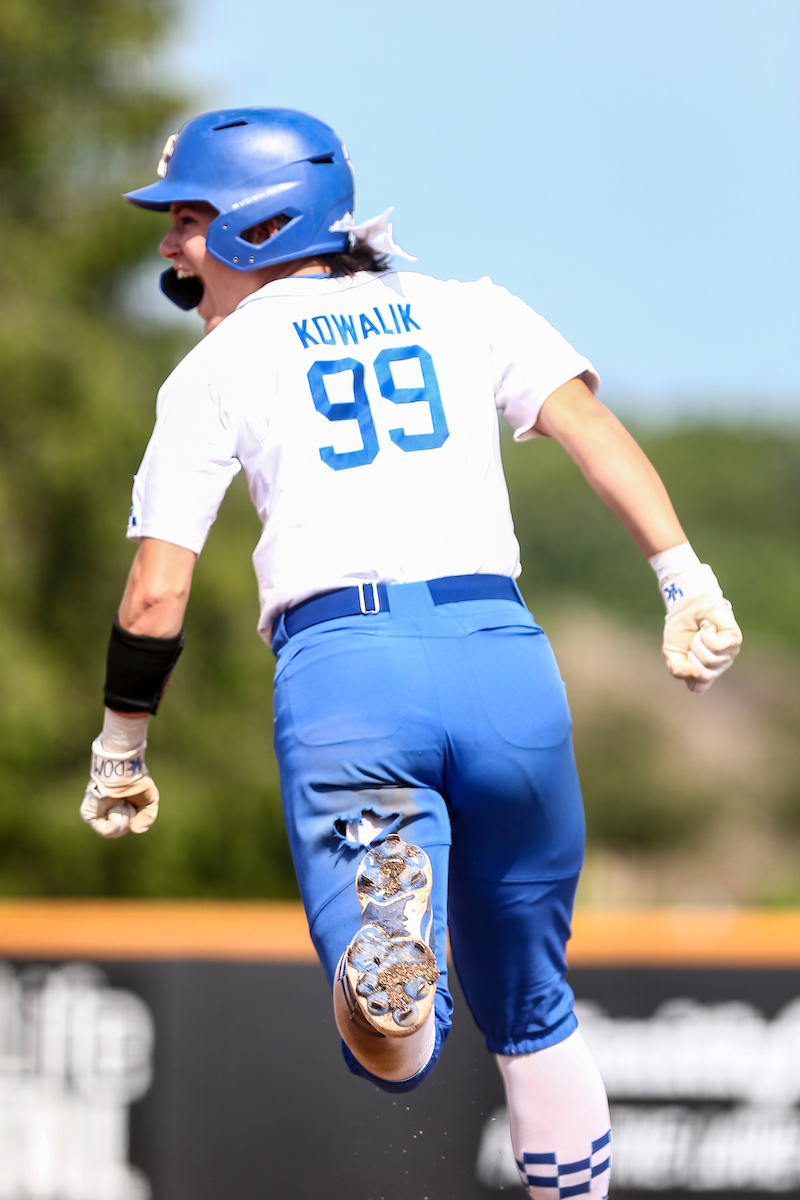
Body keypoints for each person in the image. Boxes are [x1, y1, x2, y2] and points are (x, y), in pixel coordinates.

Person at [80, 107, 742, 1199]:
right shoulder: (465, 308)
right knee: (532, 1006)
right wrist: (684, 580)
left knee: (397, 1046)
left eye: (188, 220)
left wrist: (120, 746)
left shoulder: (217, 367)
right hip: (503, 660)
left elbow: (155, 595)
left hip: (350, 672)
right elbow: (593, 434)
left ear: (258, 224)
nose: (169, 248)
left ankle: (392, 941)